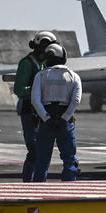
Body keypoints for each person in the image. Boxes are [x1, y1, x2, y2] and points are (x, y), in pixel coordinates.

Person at [29, 43, 81, 182]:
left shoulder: (40, 75)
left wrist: (47, 118)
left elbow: (35, 100)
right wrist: (64, 118)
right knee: (69, 160)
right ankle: (69, 192)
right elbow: (76, 101)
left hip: (46, 119)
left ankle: (37, 192)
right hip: (66, 121)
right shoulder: (73, 76)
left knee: (42, 160)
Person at [14, 31, 55, 181]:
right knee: (35, 150)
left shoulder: (48, 64)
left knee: (44, 150)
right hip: (29, 111)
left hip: (45, 111)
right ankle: (29, 183)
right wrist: (38, 90)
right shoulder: (27, 63)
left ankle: (39, 183)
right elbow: (19, 89)